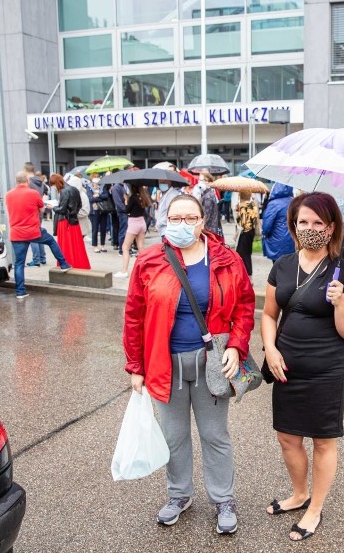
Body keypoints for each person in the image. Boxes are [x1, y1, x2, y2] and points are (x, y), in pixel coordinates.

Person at [124, 194, 255, 535]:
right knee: (174, 436)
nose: (183, 224)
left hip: (211, 362)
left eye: (190, 218)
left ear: (202, 221)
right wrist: (136, 367)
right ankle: (179, 495)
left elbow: (244, 305)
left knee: (215, 435)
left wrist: (237, 346)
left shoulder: (227, 259)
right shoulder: (150, 260)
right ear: (165, 220)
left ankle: (223, 499)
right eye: (176, 218)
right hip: (163, 362)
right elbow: (134, 317)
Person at [261, 192, 344, 542]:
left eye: (318, 223)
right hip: (285, 366)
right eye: (303, 221)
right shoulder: (282, 265)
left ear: (331, 227)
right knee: (288, 437)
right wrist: (270, 349)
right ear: (294, 225)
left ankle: (315, 507)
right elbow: (269, 314)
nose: (310, 228)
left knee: (322, 441)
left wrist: (338, 303)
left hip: (326, 370)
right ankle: (299, 493)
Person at [5, 171, 72, 299]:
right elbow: (42, 209)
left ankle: (20, 292)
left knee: (19, 263)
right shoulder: (33, 193)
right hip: (33, 230)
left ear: (16, 181)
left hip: (17, 233)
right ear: (27, 181)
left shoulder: (8, 194)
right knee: (51, 241)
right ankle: (64, 264)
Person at [51, 174, 91, 270]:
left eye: (53, 184)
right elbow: (80, 205)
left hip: (65, 221)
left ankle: (67, 263)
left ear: (57, 183)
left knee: (65, 245)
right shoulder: (74, 189)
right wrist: (74, 212)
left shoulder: (64, 191)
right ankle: (79, 264)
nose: (54, 187)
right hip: (74, 221)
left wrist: (53, 207)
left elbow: (62, 209)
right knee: (76, 245)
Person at [114, 183, 151, 278]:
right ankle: (145, 269)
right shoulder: (144, 197)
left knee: (125, 248)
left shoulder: (133, 198)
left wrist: (126, 200)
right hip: (142, 222)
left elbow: (127, 210)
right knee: (140, 247)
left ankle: (124, 271)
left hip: (134, 223)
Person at [261, 183, 295, 263]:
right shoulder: (294, 202)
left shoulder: (273, 204)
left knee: (277, 266)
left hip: (276, 240)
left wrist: (265, 233)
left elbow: (266, 226)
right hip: (292, 240)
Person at [26, 167, 48, 267]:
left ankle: (36, 260)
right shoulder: (40, 183)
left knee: (32, 236)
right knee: (39, 234)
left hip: (31, 213)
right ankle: (43, 258)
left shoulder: (29, 184)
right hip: (39, 211)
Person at [234, 190, 258, 276]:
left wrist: (236, 234)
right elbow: (255, 218)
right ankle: (249, 274)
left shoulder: (242, 206)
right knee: (248, 253)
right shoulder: (253, 204)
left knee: (241, 254)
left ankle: (244, 274)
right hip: (251, 231)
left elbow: (242, 223)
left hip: (244, 232)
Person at [196, 171, 223, 238]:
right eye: (199, 180)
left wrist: (199, 227)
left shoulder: (208, 196)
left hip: (209, 230)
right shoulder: (206, 193)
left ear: (209, 182)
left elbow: (205, 215)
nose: (200, 182)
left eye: (203, 180)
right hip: (210, 229)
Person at [90, 176, 111, 253]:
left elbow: (106, 196)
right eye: (95, 183)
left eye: (98, 183)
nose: (96, 185)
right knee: (95, 229)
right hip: (94, 211)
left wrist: (98, 195)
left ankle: (102, 245)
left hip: (103, 210)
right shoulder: (89, 188)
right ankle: (95, 246)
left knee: (103, 228)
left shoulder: (103, 188)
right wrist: (100, 198)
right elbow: (91, 199)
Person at [110, 180, 128, 255]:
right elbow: (118, 203)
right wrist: (126, 210)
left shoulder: (122, 186)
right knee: (123, 231)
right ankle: (121, 249)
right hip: (123, 212)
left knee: (126, 231)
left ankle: (125, 248)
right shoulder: (116, 188)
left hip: (125, 211)